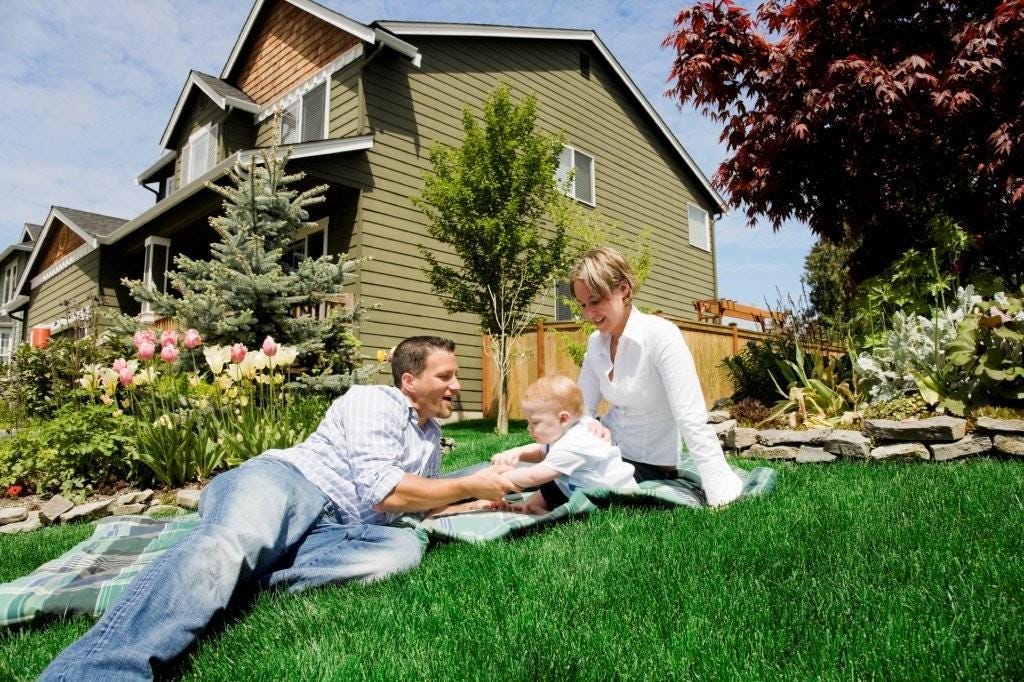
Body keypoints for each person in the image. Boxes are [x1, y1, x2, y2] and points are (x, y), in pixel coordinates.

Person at [43, 336, 518, 681]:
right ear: (410, 381)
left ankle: (229, 584)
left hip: (339, 527)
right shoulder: (375, 401)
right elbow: (386, 493)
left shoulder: (429, 436)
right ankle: (96, 671)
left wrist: (471, 499)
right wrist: (464, 484)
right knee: (232, 542)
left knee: (400, 551)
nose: (457, 385)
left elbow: (415, 503)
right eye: (446, 376)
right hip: (289, 484)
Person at [570, 246, 743, 507]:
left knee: (556, 481)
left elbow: (690, 418)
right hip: (606, 452)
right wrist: (581, 435)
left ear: (623, 289)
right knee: (543, 464)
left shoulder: (660, 335)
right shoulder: (597, 342)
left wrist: (720, 493)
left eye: (594, 302)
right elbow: (581, 410)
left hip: (647, 465)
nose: (587, 314)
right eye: (583, 305)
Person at [478, 375, 637, 515]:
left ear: (563, 419)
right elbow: (541, 452)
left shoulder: (575, 444)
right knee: (554, 484)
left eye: (534, 422)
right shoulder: (562, 432)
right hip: (582, 484)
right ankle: (527, 507)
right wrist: (517, 452)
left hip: (613, 496)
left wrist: (499, 479)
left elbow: (534, 476)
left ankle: (542, 511)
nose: (528, 428)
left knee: (552, 481)